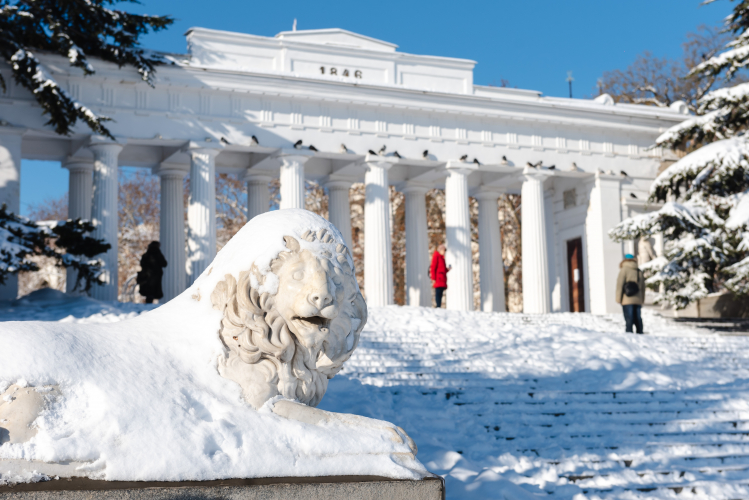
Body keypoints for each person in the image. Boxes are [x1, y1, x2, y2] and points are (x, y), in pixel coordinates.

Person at [615, 253, 646, 334]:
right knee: (638, 318)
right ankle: (640, 333)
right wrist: (642, 299)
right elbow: (643, 286)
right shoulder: (638, 270)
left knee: (629, 318)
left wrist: (618, 298)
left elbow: (620, 284)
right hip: (638, 299)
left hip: (627, 299)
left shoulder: (624, 269)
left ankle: (629, 334)